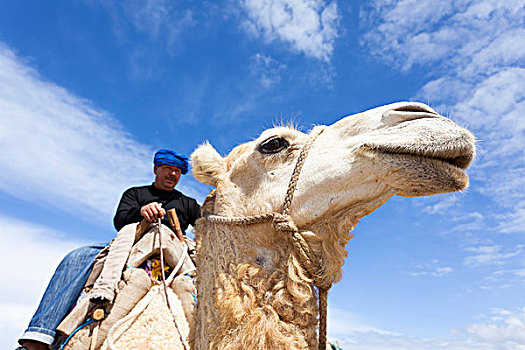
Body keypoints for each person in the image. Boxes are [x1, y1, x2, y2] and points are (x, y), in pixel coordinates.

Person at [17, 149, 200, 350]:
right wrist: (141, 212)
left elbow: (204, 225)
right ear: (156, 169)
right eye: (168, 169)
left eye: (177, 171)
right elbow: (120, 220)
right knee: (76, 257)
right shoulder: (135, 193)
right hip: (133, 240)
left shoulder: (188, 203)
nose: (172, 174)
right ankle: (39, 335)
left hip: (174, 246)